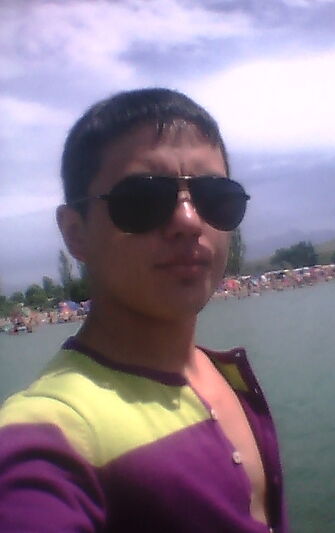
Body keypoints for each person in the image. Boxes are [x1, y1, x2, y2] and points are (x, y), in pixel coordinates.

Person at [0, 88, 288, 532]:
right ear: (75, 232)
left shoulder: (224, 373)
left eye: (215, 197)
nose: (189, 221)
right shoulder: (53, 431)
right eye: (143, 199)